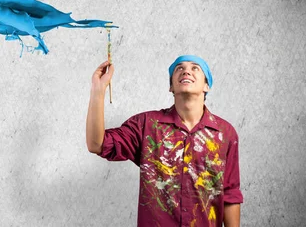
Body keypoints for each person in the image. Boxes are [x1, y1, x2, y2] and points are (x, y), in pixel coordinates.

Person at [86, 55, 243, 227]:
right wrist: (97, 91)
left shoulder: (225, 133)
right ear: (171, 86)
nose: (186, 71)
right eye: (179, 68)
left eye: (195, 68)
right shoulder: (146, 125)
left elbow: (230, 194)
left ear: (207, 85)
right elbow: (96, 144)